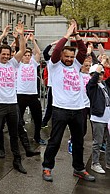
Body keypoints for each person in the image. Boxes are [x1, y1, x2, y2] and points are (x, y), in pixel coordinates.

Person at [42, 19, 95, 182]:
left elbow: (83, 50)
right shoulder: (55, 66)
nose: (70, 59)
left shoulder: (76, 65)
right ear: (61, 57)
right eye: (67, 56)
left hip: (79, 108)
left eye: (72, 57)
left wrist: (77, 35)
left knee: (79, 142)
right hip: (60, 109)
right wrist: (66, 34)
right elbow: (57, 50)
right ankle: (47, 167)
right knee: (55, 141)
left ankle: (78, 168)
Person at [0, 22, 30, 174]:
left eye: (8, 54)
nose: (6, 56)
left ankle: (17, 161)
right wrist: (3, 36)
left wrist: (21, 35)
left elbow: (23, 49)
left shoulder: (13, 64)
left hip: (12, 104)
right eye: (3, 54)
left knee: (14, 134)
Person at [16, 34, 46, 145]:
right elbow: (20, 49)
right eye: (25, 55)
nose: (28, 57)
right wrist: (23, 39)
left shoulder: (33, 64)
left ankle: (37, 137)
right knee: (18, 119)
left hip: (33, 95)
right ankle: (19, 137)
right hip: (21, 94)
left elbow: (38, 53)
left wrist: (33, 41)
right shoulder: (18, 65)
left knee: (38, 118)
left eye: (29, 55)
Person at [86, 59, 110, 174]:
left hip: (108, 118)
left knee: (109, 142)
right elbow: (94, 78)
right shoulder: (91, 86)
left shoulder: (105, 84)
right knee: (98, 142)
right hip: (98, 118)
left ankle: (108, 162)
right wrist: (100, 64)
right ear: (91, 75)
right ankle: (95, 163)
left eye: (101, 74)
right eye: (97, 74)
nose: (100, 76)